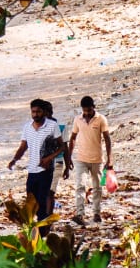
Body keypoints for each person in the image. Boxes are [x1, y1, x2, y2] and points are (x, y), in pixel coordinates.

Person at [7, 98, 65, 228]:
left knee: (43, 201)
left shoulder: (52, 126)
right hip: (32, 170)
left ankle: (43, 230)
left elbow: (62, 147)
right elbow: (23, 147)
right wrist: (14, 159)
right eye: (33, 112)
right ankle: (34, 229)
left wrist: (50, 158)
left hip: (46, 170)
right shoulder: (27, 127)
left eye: (38, 112)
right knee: (31, 201)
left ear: (43, 112)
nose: (35, 115)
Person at [65, 96, 114, 225]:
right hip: (81, 159)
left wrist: (110, 159)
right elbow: (73, 137)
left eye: (89, 110)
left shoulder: (101, 119)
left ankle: (96, 213)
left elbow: (107, 139)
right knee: (80, 185)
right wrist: (69, 157)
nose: (87, 113)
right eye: (85, 111)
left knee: (97, 187)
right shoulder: (78, 119)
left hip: (97, 160)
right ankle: (80, 214)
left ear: (94, 107)